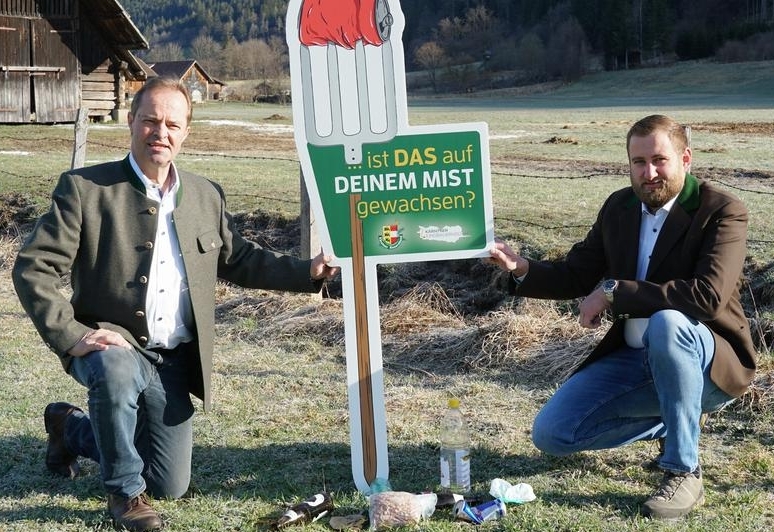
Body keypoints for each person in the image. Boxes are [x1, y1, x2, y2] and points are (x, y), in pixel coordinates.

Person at [12, 76, 339, 532]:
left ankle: (70, 428)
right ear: (131, 122)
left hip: (174, 360)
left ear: (185, 131)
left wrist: (308, 272)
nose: (159, 133)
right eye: (149, 121)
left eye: (171, 124)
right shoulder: (85, 190)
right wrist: (75, 335)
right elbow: (33, 268)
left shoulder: (206, 195)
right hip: (113, 343)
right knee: (116, 371)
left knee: (169, 483)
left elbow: (239, 260)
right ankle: (125, 496)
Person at [487, 114, 756, 519]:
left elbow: (707, 297)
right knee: (553, 434)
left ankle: (684, 469)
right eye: (638, 162)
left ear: (686, 158)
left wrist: (614, 291)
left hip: (709, 364)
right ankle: (676, 415)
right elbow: (577, 274)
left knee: (669, 322)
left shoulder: (721, 211)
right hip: (634, 359)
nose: (649, 173)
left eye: (659, 160)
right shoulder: (619, 207)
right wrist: (522, 268)